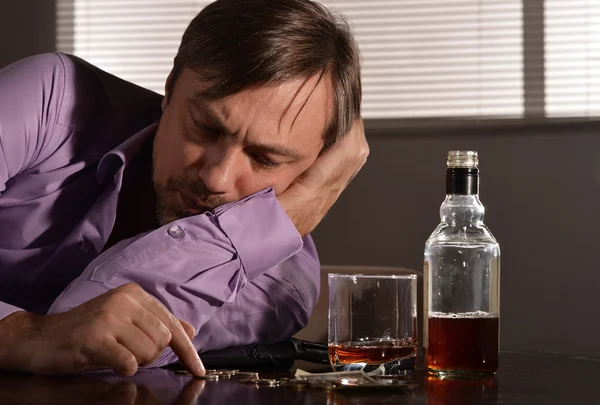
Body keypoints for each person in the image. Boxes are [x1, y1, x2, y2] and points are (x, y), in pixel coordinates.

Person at [0, 0, 367, 376]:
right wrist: (19, 332)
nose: (216, 178)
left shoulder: (280, 286)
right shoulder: (49, 101)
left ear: (315, 166)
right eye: (206, 128)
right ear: (171, 88)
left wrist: (280, 219)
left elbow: (96, 351)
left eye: (266, 159)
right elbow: (63, 336)